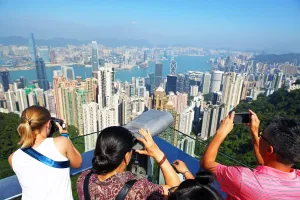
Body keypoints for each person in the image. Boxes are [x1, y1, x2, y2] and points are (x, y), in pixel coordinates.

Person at [201, 110, 300, 200]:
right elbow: (268, 166)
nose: (259, 137)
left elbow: (206, 163)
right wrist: (254, 132)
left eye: (261, 136)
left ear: (270, 149)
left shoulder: (243, 179)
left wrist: (221, 131)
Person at [77, 126, 180, 200]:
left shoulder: (83, 179)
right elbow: (176, 190)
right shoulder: (138, 189)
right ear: (126, 157)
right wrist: (157, 153)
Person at [8, 106, 82, 200]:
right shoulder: (61, 143)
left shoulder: (12, 158)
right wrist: (65, 134)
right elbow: (77, 163)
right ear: (47, 124)